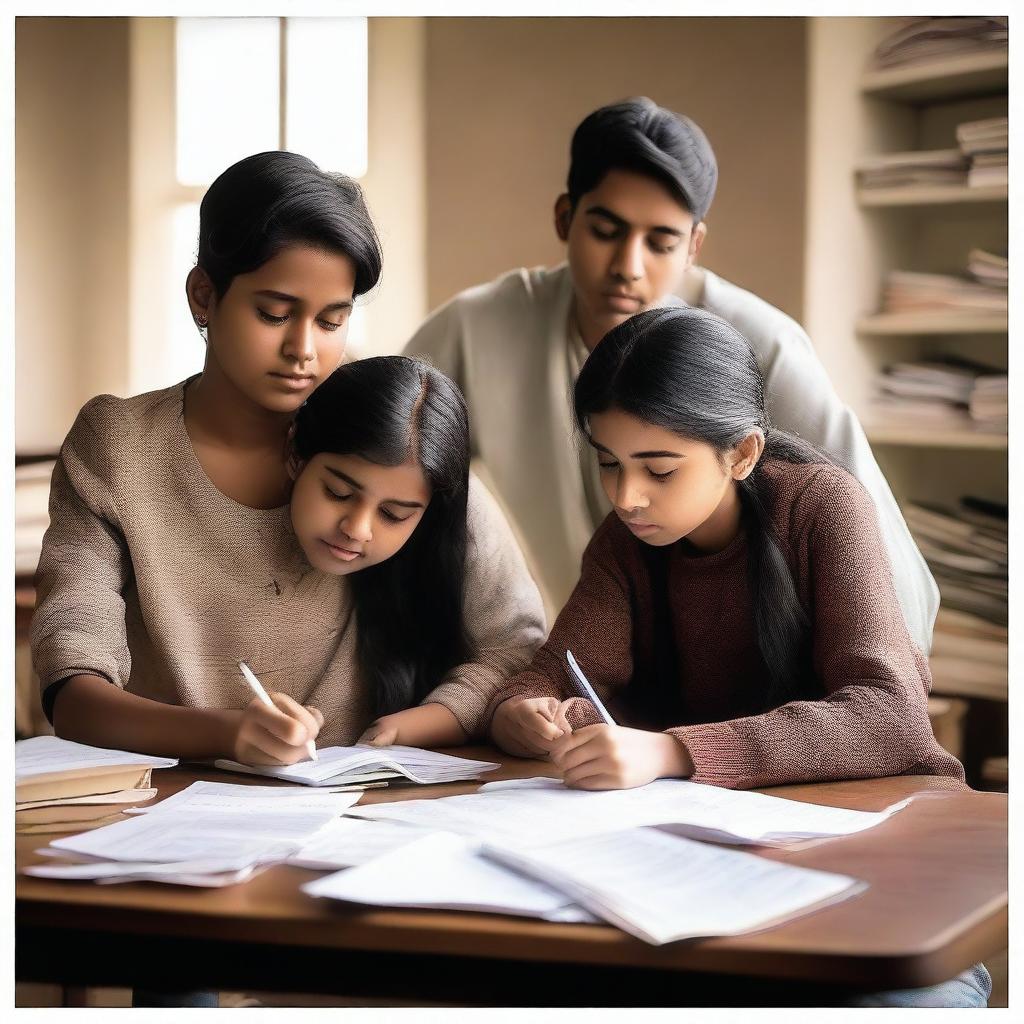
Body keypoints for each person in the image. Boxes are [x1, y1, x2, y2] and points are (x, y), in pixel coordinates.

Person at [484, 306, 988, 1009]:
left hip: (879, 868)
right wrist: (523, 714)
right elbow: (555, 673)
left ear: (742, 453)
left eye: (659, 468)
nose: (627, 497)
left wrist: (673, 752)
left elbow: (888, 716)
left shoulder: (822, 509)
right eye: (608, 463)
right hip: (715, 874)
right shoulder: (627, 542)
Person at [31, 151, 544, 768]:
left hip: (363, 805)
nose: (303, 350)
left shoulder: (388, 432)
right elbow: (73, 690)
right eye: (274, 314)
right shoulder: (116, 443)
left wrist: (417, 724)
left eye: (332, 321)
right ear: (204, 295)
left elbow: (514, 646)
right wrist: (227, 735)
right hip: (168, 805)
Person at [405, 96, 938, 653]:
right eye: (606, 231)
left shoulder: (763, 345)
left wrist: (878, 681)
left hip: (758, 687)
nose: (628, 266)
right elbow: (381, 446)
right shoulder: (481, 325)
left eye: (661, 243)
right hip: (587, 665)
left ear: (693, 247)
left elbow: (872, 535)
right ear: (565, 218)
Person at [287, 355, 545, 750]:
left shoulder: (458, 511)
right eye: (338, 493)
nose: (357, 529)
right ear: (295, 455)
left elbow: (515, 649)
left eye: (393, 515)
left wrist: (428, 721)